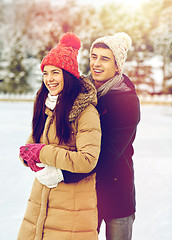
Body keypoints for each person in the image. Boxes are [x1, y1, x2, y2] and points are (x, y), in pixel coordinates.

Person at [25, 32, 140, 240]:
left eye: (104, 59)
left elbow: (106, 154)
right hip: (84, 193)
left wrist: (64, 174)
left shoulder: (127, 101)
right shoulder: (80, 92)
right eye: (94, 56)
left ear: (117, 66)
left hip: (115, 191)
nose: (96, 63)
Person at [18, 32, 101, 240]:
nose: (49, 79)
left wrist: (44, 153)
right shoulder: (47, 107)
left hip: (71, 211)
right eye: (45, 73)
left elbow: (88, 160)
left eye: (55, 72)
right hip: (40, 206)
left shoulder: (85, 111)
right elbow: (30, 149)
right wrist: (28, 157)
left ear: (68, 74)